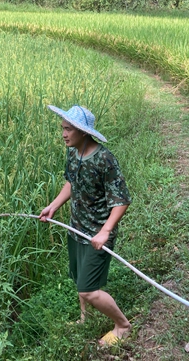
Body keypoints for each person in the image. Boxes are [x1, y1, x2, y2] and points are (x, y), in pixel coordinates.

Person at [39, 104, 132, 347]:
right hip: (77, 228)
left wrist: (105, 231)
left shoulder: (104, 159)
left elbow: (121, 200)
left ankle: (123, 326)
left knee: (88, 290)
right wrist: (53, 206)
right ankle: (85, 318)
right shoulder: (73, 153)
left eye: (68, 129)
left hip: (98, 233)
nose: (64, 134)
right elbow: (71, 183)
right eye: (63, 128)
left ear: (82, 131)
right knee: (80, 280)